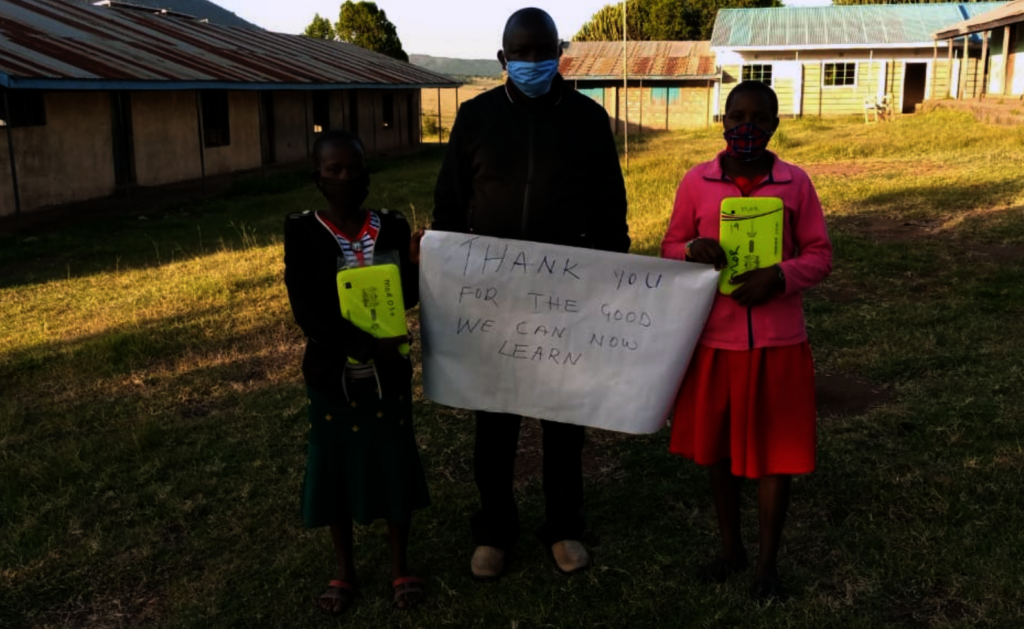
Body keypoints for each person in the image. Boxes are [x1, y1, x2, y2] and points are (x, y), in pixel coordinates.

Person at [432, 7, 629, 579]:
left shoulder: (589, 120)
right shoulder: (475, 118)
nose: (532, 64)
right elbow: (449, 204)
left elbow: (611, 211)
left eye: (543, 53)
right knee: (494, 421)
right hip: (491, 301)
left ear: (559, 55)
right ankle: (494, 530)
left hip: (566, 300)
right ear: (502, 60)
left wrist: (608, 284)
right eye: (521, 54)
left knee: (564, 419)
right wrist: (449, 274)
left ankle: (564, 528)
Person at [660, 81, 832, 601]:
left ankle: (767, 567)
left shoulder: (795, 184)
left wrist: (779, 277)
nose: (747, 128)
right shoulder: (697, 181)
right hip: (714, 341)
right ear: (723, 120)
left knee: (776, 454)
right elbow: (669, 245)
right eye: (737, 117)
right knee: (717, 452)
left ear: (776, 125)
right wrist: (691, 248)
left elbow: (820, 254)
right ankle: (730, 549)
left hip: (778, 343)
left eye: (759, 118)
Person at [284, 130, 430, 614]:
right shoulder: (302, 232)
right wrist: (358, 346)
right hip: (332, 373)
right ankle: (344, 569)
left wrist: (413, 266)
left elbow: (402, 298)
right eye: (335, 170)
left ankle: (399, 565)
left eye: (354, 169)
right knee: (335, 469)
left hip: (388, 374)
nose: (346, 178)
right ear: (317, 178)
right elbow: (305, 307)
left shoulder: (389, 227)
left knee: (393, 462)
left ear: (369, 174)